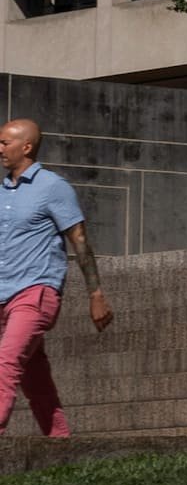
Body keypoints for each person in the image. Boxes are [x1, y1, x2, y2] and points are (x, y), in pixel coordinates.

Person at [0, 118, 112, 438]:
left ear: (27, 147)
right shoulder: (2, 193)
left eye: (5, 142)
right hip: (2, 295)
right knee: (35, 377)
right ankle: (60, 443)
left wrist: (96, 294)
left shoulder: (53, 187)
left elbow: (79, 240)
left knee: (5, 363)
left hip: (35, 294)